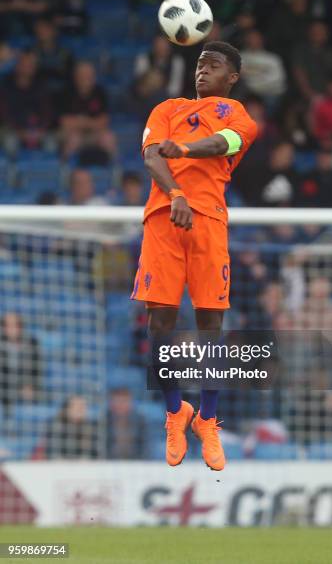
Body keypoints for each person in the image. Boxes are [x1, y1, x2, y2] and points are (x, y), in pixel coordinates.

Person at [131, 41, 257, 471]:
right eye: (200, 63)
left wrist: (183, 150)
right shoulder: (166, 108)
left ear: (232, 77)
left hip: (209, 222)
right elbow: (151, 156)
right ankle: (174, 413)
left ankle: (207, 419)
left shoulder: (238, 116)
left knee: (210, 325)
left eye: (214, 64)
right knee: (160, 321)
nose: (202, 70)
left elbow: (226, 143)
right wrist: (177, 193)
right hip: (164, 218)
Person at [0, 50, 54, 155]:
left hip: (39, 131)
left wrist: (41, 130)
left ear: (34, 68)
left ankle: (46, 169)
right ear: (17, 66)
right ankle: (12, 170)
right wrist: (19, 131)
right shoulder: (6, 86)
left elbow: (48, 113)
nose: (27, 68)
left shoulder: (41, 86)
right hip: (12, 130)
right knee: (10, 141)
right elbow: (4, 114)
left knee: (51, 142)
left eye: (30, 65)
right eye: (24, 64)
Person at [59, 61, 116, 158]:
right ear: (76, 77)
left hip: (95, 134)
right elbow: (65, 122)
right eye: (83, 75)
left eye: (89, 75)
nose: (86, 78)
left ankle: (114, 170)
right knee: (73, 139)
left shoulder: (100, 92)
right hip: (74, 135)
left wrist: (82, 121)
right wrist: (91, 123)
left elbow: (104, 121)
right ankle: (65, 168)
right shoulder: (66, 93)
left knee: (108, 138)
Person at [0, 312, 43, 415]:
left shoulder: (32, 343)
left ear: (20, 327)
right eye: (6, 325)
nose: (11, 329)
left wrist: (31, 385)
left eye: (15, 325)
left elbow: (37, 368)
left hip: (24, 386)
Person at [107, 388, 148, 459]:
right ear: (111, 404)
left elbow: (145, 446)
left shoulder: (140, 422)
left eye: (124, 401)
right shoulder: (103, 422)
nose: (121, 405)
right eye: (117, 401)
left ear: (131, 404)